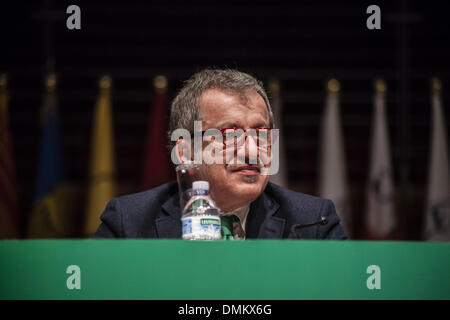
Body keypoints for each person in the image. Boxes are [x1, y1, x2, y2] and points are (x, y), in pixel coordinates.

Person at [93, 69, 348, 239]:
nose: (251, 151)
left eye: (261, 135)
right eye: (229, 135)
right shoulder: (129, 223)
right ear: (185, 152)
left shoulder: (314, 222)